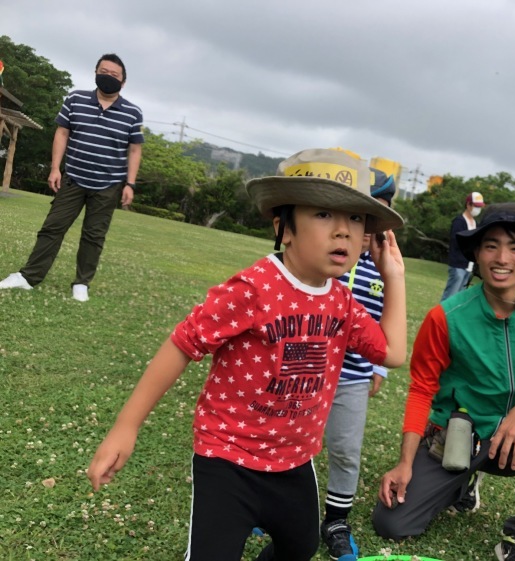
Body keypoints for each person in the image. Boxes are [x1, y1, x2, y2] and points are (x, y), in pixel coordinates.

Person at [87, 148, 407, 561]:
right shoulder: (254, 288)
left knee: (300, 547)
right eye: (324, 214)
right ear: (284, 227)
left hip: (295, 459)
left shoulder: (342, 302)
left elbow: (393, 352)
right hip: (228, 457)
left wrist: (393, 276)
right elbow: (183, 344)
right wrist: (125, 427)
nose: (344, 230)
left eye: (356, 218)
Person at [374, 202, 515, 561]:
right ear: (476, 252)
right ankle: (461, 482)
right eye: (491, 245)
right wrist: (405, 462)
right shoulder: (446, 317)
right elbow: (422, 389)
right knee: (392, 523)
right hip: (460, 436)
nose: (502, 257)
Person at [0, 53, 144, 302]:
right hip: (73, 178)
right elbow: (62, 132)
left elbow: (134, 149)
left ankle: (81, 284)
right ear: (95, 72)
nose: (108, 77)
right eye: (104, 72)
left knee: (94, 236)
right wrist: (55, 168)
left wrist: (130, 183)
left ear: (123, 81)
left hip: (109, 184)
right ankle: (28, 277)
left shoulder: (132, 112)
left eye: (114, 75)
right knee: (52, 228)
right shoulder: (75, 99)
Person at [321, 168, 397, 560]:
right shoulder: (320, 258)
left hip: (352, 376)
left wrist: (379, 367)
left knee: (347, 450)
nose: (362, 229)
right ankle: (267, 503)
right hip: (306, 373)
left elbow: (388, 321)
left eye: (373, 220)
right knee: (286, 440)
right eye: (355, 215)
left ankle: (336, 519)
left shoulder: (382, 270)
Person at [440, 191, 484, 301]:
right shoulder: (459, 221)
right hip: (458, 264)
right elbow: (457, 241)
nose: (478, 209)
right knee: (451, 294)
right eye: (476, 206)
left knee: (460, 297)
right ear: (468, 205)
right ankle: (442, 316)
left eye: (479, 207)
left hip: (469, 265)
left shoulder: (475, 223)